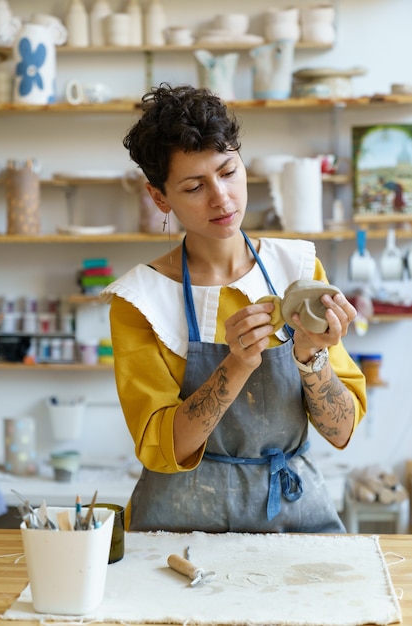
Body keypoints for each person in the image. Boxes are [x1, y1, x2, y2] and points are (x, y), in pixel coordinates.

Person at [101, 83, 367, 534]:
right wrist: (236, 364)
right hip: (177, 528)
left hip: (291, 517)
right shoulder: (140, 300)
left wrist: (311, 357)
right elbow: (164, 446)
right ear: (160, 198)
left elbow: (341, 432)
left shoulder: (298, 268)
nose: (221, 198)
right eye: (194, 186)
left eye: (228, 172)